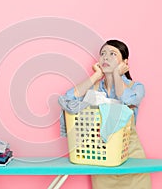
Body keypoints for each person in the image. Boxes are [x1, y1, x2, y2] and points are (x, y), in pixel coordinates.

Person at [65, 39, 151, 189]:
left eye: (112, 54)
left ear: (125, 62)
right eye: (103, 54)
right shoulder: (95, 89)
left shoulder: (136, 87)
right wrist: (96, 76)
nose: (106, 57)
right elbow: (68, 100)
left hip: (130, 157)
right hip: (101, 158)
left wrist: (117, 75)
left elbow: (127, 98)